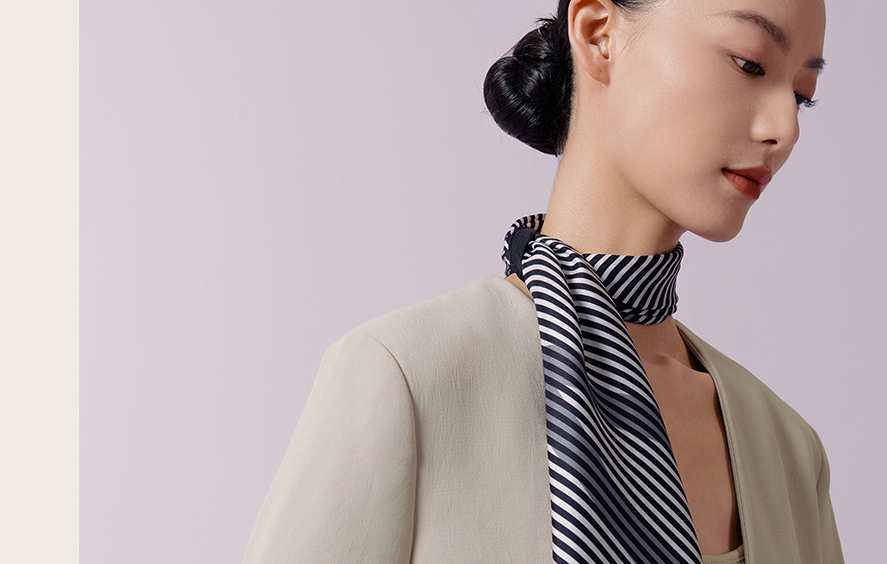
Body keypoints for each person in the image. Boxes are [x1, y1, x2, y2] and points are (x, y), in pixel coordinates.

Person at [240, 0, 842, 562]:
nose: (785, 128)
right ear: (598, 35)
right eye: (749, 64)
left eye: (802, 95)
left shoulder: (789, 452)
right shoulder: (407, 376)